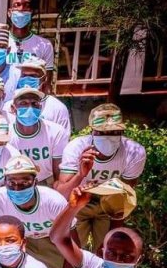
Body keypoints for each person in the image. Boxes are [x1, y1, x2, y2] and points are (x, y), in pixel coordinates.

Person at [56, 104, 145, 251]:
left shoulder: (134, 152)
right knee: (73, 253)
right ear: (92, 131)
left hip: (109, 204)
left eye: (114, 132)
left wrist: (111, 238)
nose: (108, 137)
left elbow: (124, 198)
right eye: (102, 132)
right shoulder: (76, 147)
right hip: (79, 201)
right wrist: (80, 174)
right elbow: (62, 194)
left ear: (122, 131)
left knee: (106, 253)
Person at [0, 155, 70, 268]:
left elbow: (72, 241)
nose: (17, 188)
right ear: (4, 182)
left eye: (24, 182)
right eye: (11, 182)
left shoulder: (54, 201)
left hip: (52, 241)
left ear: (35, 182)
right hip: (17, 243)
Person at [7, 85, 69, 185]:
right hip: (17, 184)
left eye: (34, 103)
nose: (30, 108)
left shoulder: (56, 131)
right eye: (23, 103)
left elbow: (58, 172)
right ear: (13, 108)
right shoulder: (6, 135)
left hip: (47, 182)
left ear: (40, 107)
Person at [3, 55, 71, 134]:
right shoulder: (8, 106)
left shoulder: (57, 108)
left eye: (33, 76)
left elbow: (63, 136)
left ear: (44, 78)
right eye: (24, 75)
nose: (27, 79)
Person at [6, 0, 55, 75]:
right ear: (9, 12)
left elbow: (47, 80)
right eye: (17, 5)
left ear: (31, 12)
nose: (21, 8)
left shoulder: (45, 45)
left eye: (26, 5)